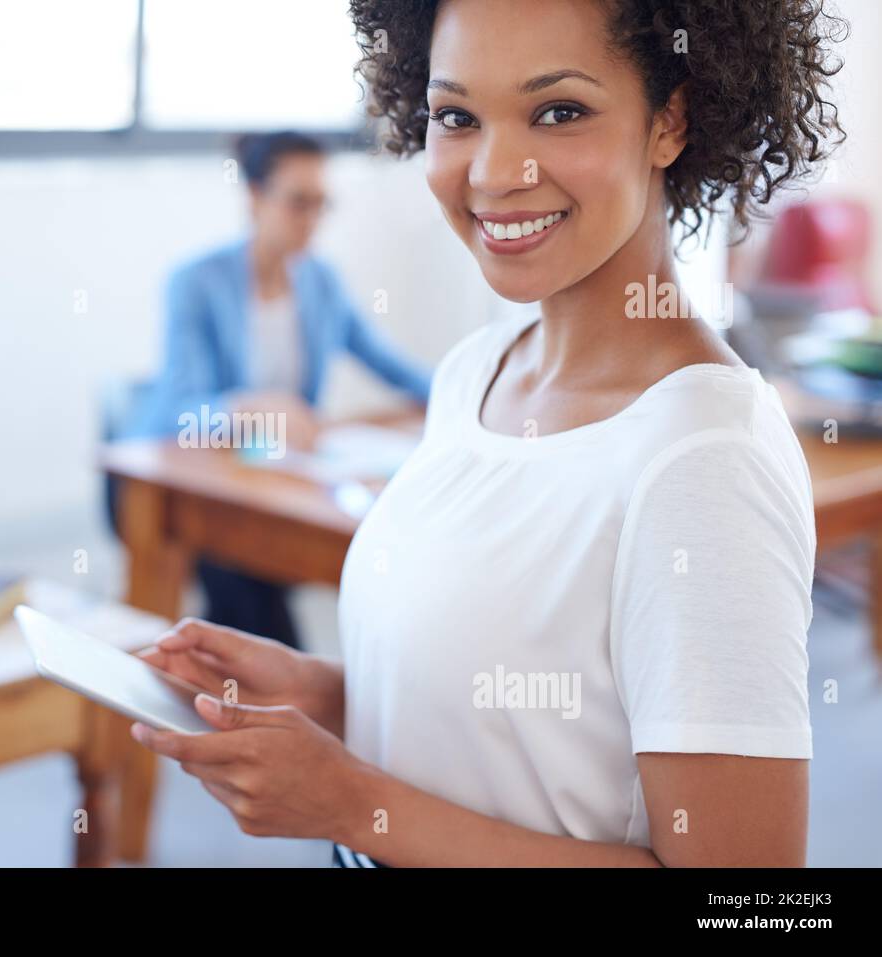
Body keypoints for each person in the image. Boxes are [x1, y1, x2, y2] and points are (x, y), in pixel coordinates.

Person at [129, 0, 844, 866]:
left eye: (559, 111)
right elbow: (531, 728)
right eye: (457, 117)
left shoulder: (703, 460)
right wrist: (330, 696)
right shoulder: (477, 372)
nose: (496, 171)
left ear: (671, 120)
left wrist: (357, 806)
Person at [128, 130, 432, 650]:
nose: (312, 219)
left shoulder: (320, 282)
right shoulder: (197, 282)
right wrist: (253, 410)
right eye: (298, 202)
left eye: (322, 204)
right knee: (245, 583)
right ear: (254, 196)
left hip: (279, 481)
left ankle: (247, 690)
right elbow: (180, 416)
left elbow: (386, 362)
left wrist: (469, 391)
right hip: (196, 480)